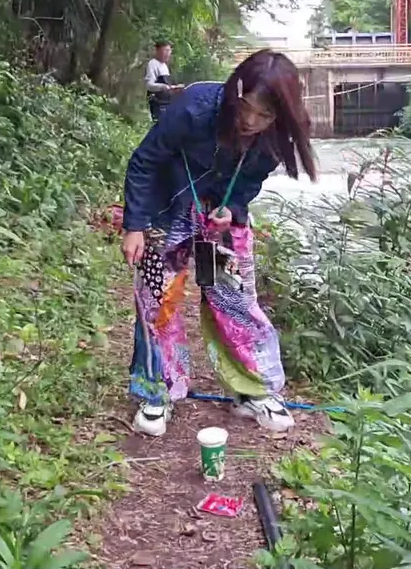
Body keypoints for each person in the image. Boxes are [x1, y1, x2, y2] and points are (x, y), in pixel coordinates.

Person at [120, 49, 318, 436]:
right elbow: (144, 161)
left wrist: (233, 207)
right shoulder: (194, 108)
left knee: (234, 299)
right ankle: (158, 392)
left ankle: (254, 390)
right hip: (168, 208)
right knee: (158, 299)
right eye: (246, 107)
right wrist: (135, 226)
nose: (250, 121)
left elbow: (250, 180)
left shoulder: (276, 136)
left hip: (218, 220)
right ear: (235, 90)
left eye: (264, 115)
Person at [144, 40, 185, 123]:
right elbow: (149, 85)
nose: (168, 53)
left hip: (166, 103)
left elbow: (167, 85)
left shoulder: (164, 66)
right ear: (157, 51)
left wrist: (174, 89)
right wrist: (163, 87)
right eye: (165, 50)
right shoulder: (153, 64)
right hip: (157, 103)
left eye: (169, 51)